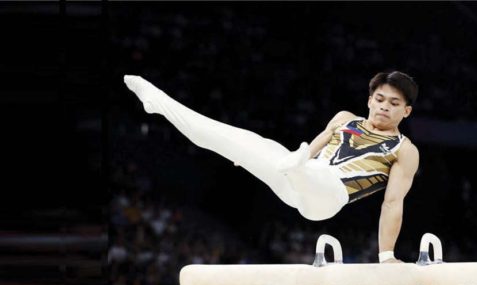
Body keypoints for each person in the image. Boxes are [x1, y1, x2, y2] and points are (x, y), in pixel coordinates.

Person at [123, 71, 419, 263]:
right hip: (297, 181)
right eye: (379, 99)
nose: (384, 106)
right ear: (369, 100)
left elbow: (392, 202)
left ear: (406, 111)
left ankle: (289, 164)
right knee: (236, 139)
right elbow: (316, 147)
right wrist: (263, 160)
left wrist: (387, 255)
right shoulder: (344, 118)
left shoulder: (404, 150)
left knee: (301, 166)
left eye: (394, 103)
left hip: (328, 197)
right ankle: (159, 104)